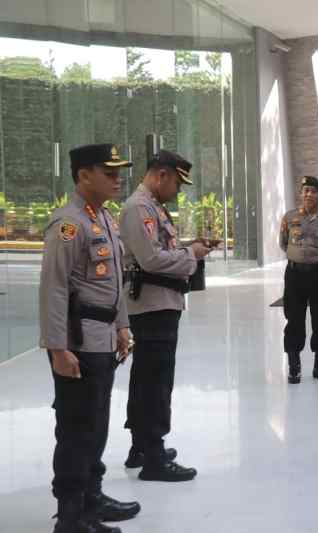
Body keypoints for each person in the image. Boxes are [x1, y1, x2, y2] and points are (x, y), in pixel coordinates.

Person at [40, 144, 140, 533]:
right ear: (83, 175)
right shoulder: (68, 224)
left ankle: (91, 498)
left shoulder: (104, 219)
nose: (118, 179)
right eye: (109, 172)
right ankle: (71, 516)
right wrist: (58, 348)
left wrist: (122, 326)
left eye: (119, 172)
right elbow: (54, 289)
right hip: (77, 344)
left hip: (101, 339)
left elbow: (113, 282)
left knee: (95, 424)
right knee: (76, 429)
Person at [119, 150, 209, 482]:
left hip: (161, 302)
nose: (178, 191)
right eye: (176, 183)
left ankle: (142, 447)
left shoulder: (153, 207)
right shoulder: (139, 208)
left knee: (148, 377)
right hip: (152, 304)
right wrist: (191, 254)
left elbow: (159, 250)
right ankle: (153, 455)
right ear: (161, 175)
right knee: (155, 381)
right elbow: (152, 259)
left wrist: (188, 246)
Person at [278, 175, 318, 384]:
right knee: (294, 319)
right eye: (305, 191)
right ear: (301, 193)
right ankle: (294, 367)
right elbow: (283, 243)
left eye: (313, 191)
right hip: (295, 274)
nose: (308, 194)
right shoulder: (289, 217)